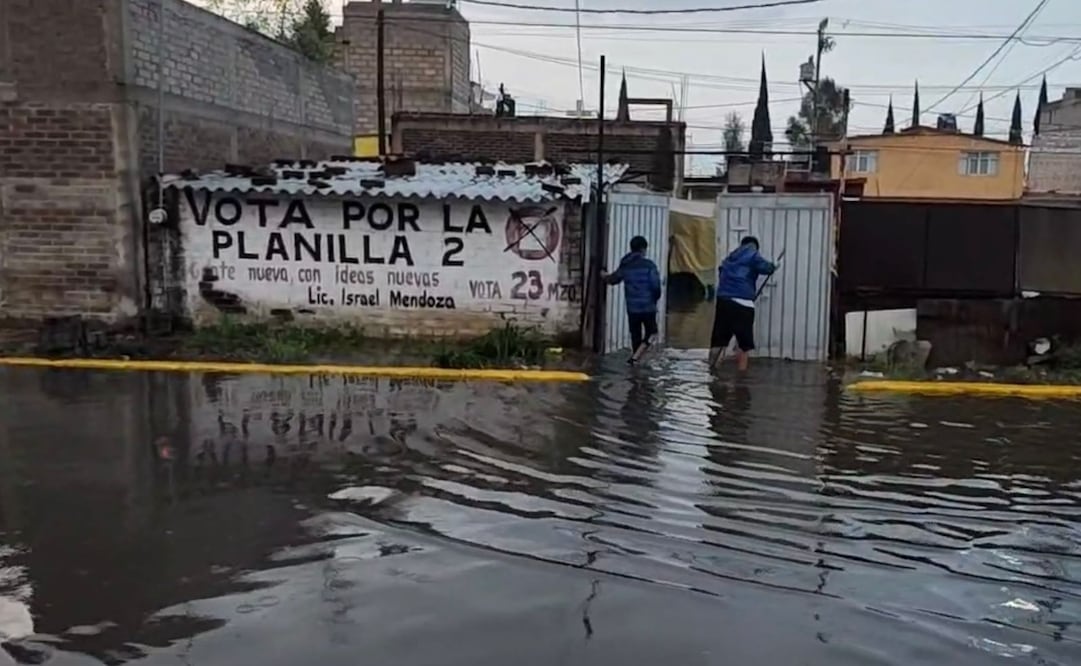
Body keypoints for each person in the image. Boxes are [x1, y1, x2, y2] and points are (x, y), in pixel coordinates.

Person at [708, 235, 776, 371]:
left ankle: (712, 370)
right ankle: (741, 376)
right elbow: (767, 268)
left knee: (719, 339)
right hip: (743, 303)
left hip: (724, 301)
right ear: (754, 246)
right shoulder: (753, 254)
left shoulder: (729, 258)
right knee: (743, 343)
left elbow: (721, 272)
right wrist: (773, 266)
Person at [602, 235, 662, 365]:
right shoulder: (649, 265)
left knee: (636, 336)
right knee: (652, 333)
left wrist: (604, 276)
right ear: (643, 249)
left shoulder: (626, 265)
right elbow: (656, 286)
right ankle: (634, 359)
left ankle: (636, 365)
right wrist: (655, 300)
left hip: (632, 308)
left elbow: (613, 279)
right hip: (648, 307)